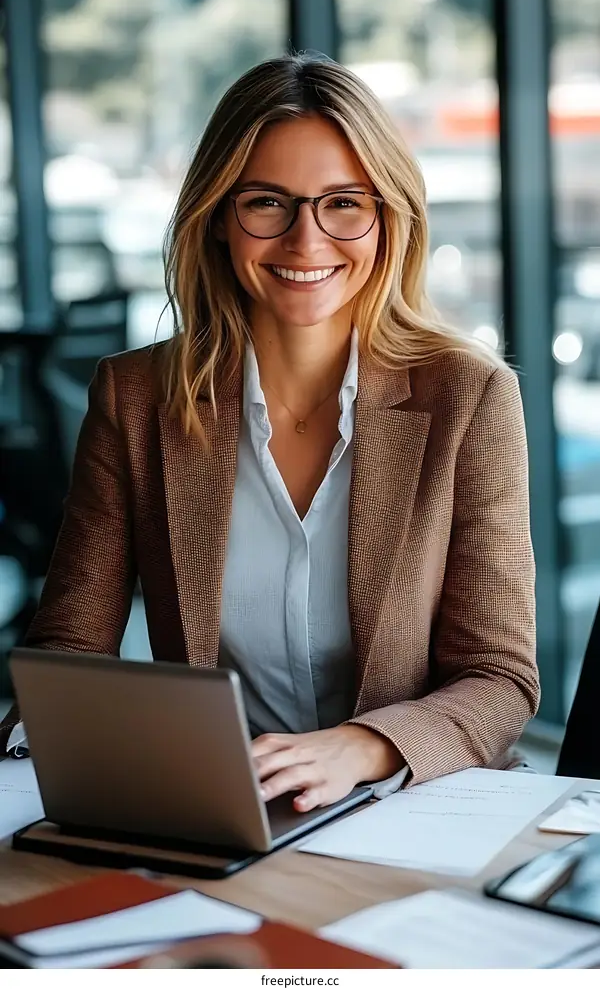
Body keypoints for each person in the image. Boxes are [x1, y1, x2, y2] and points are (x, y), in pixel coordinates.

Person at [0, 53, 539, 810]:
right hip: (216, 810)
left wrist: (362, 747)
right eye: (267, 203)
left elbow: (500, 677)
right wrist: (45, 732)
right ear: (219, 217)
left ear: (387, 218)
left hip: (415, 806)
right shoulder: (137, 397)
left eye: (343, 203)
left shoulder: (472, 395)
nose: (306, 240)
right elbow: (68, 647)